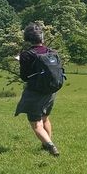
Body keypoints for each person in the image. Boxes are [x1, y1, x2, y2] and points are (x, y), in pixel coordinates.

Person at [14, 23, 60, 156]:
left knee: (36, 123)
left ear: (27, 39)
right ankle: (46, 145)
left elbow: (24, 77)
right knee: (45, 118)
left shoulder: (26, 55)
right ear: (42, 38)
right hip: (51, 91)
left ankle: (50, 146)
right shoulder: (52, 52)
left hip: (35, 92)